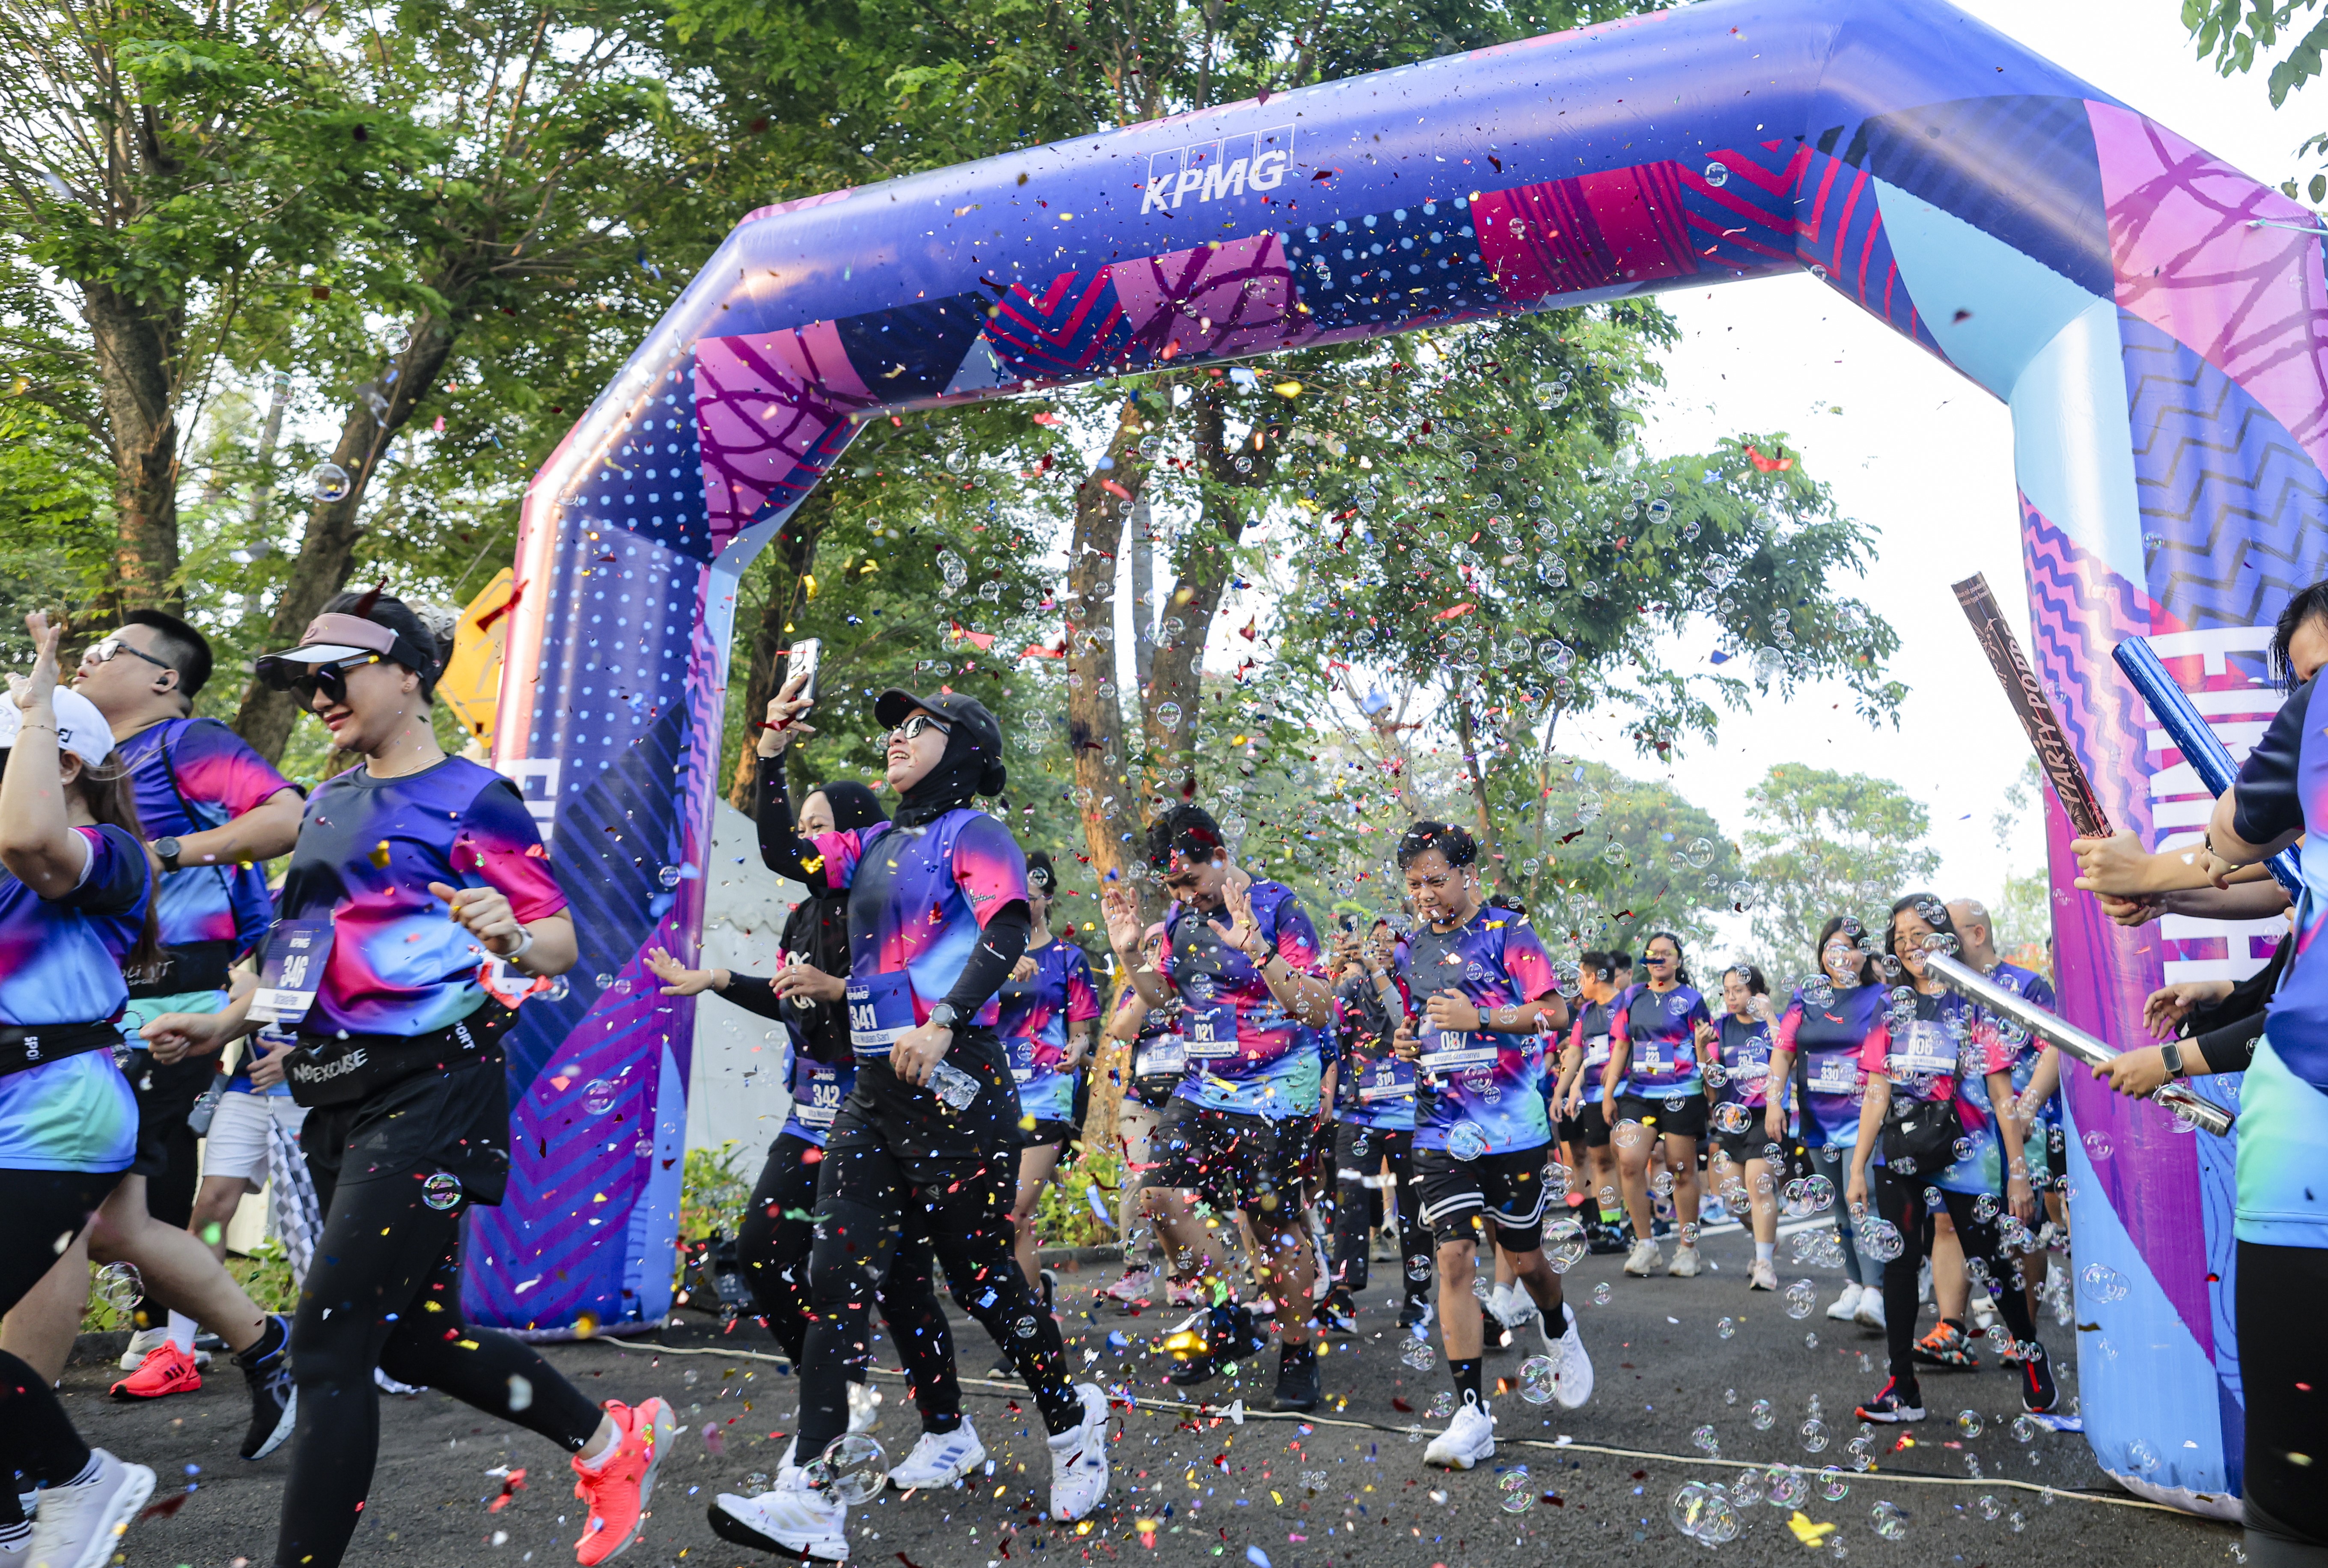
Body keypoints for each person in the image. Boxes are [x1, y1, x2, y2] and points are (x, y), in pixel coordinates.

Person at [138, 590, 673, 1568]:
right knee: (413, 1339)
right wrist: (226, 1017)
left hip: (432, 1093)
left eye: (332, 674)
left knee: (329, 1345)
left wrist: (511, 933)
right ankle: (609, 1440)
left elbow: (557, 937)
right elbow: (293, 941)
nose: (317, 696)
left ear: (406, 673)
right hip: (336, 1095)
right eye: (306, 681)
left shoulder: (476, 798)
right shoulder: (333, 796)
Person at [712, 677, 1109, 1558]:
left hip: (958, 1086)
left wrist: (943, 1021)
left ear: (963, 750)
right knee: (834, 1275)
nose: (897, 737)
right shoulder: (875, 844)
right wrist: (772, 748)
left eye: (920, 727)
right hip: (871, 1093)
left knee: (982, 1283)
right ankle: (813, 1496)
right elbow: (788, 852)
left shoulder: (977, 834)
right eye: (893, 726)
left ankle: (1072, 1418)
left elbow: (1002, 929)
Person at [61, 607, 305, 1414]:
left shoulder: (182, 744)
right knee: (124, 1204)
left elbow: (284, 816)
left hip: (179, 1005)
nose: (86, 662)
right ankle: (172, 1337)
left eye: (108, 651)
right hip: (89, 1014)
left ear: (166, 678)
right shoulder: (85, 759)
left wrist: (161, 852)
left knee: (90, 1195)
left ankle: (189, 1338)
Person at [644, 776, 893, 1442]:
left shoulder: (884, 903)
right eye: (803, 825)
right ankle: (833, 1382)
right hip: (808, 1108)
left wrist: (840, 988)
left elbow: (910, 995)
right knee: (759, 1249)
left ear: (858, 832)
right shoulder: (800, 915)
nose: (805, 838)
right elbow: (789, 997)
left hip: (874, 1109)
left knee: (879, 1275)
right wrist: (716, 979)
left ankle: (930, 1422)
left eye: (819, 825)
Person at [2167, 577, 2328, 1564]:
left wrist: (2158, 874)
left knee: (2292, 1498)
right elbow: (2287, 912)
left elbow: (2229, 840)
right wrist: (2214, 1011)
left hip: (2304, 1147)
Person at [0, 614, 161, 1565]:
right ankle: (15, 1519)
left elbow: (29, 837)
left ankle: (79, 1478)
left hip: (58, 1115)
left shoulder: (109, 852)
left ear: (62, 764)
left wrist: (38, 700)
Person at [1099, 803, 1335, 1414]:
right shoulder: (1180, 919)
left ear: (1221, 858)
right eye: (1172, 885)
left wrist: (1257, 949)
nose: (1182, 895)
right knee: (1158, 1196)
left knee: (1267, 1224)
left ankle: (1295, 1347)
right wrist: (1129, 954)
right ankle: (1227, 1311)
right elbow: (1162, 999)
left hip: (1278, 1089)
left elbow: (1317, 1007)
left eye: (1190, 881)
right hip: (1202, 1087)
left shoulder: (1280, 908)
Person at [1386, 822, 1590, 1470]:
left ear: (1467, 874)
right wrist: (1408, 1042)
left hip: (1513, 1127)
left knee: (1525, 1258)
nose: (1424, 892)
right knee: (1452, 1259)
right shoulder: (1411, 949)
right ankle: (1471, 1411)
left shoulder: (1509, 932)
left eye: (1435, 877)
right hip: (1441, 1123)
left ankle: (1558, 1326)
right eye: (1414, 881)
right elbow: (1419, 1020)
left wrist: (1480, 1019)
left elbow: (1555, 1013)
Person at [1846, 894, 2056, 1425]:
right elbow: (1876, 1088)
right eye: (1898, 939)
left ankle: (2029, 1352)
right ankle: (1902, 1388)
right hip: (1900, 1151)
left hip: (1965, 1153)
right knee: (1897, 1263)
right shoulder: (1887, 1006)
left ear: (1944, 936)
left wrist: (2016, 1169)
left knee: (1985, 1257)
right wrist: (1856, 1165)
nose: (1908, 945)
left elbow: (2000, 1089)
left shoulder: (1972, 999)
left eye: (1919, 933)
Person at [995, 850, 1100, 1333]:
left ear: (1048, 900)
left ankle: (1025, 1326)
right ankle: (1034, 1302)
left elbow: (1081, 1030)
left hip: (1045, 1092)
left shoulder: (1067, 959)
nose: (1023, 905)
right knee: (997, 1219)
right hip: (993, 1095)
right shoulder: (990, 953)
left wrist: (1077, 1049)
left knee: (1015, 1213)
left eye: (1031, 898)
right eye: (1015, 897)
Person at [1764, 917, 1888, 1325]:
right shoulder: (1806, 996)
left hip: (1863, 1116)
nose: (1840, 956)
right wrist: (1774, 1101)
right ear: (1821, 954)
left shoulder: (1880, 996)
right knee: (1836, 1204)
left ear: (1864, 953)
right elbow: (1783, 1050)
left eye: (1849, 947)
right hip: (1818, 1121)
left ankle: (1876, 1293)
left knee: (1862, 1196)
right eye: (1831, 947)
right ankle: (1854, 1284)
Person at [1318, 917, 1432, 1335]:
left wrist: (1381, 973)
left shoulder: (1419, 989)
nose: (1381, 948)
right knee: (1349, 1200)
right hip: (1358, 1116)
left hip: (1410, 1118)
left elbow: (1405, 1019)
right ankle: (1343, 1294)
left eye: (1390, 942)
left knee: (1413, 1207)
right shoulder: (1350, 991)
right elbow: (1326, 1035)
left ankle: (1417, 1296)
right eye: (1374, 943)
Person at [1602, 931, 1709, 1279]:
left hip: (1682, 1091)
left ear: (1678, 960)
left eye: (1667, 953)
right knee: (1630, 1161)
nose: (1660, 958)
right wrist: (1609, 1093)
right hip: (1638, 1091)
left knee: (1681, 1168)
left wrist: (1709, 1085)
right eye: (1653, 953)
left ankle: (1687, 1249)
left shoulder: (1693, 1000)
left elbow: (1704, 1048)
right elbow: (1620, 1046)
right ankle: (1646, 1244)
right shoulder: (1631, 997)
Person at [1099, 925, 1182, 1311]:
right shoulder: (1137, 991)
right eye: (1150, 945)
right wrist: (1148, 987)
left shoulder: (1197, 983)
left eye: (1161, 944)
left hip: (1188, 1101)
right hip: (1142, 1101)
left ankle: (1182, 1275)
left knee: (1180, 1188)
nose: (1156, 950)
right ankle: (1136, 1270)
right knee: (1136, 1180)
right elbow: (1118, 1032)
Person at [1699, 963, 1780, 1291]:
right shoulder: (1720, 1027)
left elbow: (1786, 1055)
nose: (1731, 997)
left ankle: (1765, 1264)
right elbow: (1712, 1083)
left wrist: (1772, 1016)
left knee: (1757, 1185)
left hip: (1765, 1116)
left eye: (1739, 989)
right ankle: (1768, 1240)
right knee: (1735, 1199)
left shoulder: (1771, 1026)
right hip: (1731, 1118)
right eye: (1727, 990)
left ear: (1757, 992)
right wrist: (1701, 1048)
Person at [1552, 952, 1628, 1254]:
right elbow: (1575, 1055)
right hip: (1595, 1096)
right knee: (1601, 1161)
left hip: (1627, 1092)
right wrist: (1562, 1091)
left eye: (1580, 975)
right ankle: (1611, 1228)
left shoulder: (1629, 1003)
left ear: (1594, 977)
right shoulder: (1585, 1015)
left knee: (1629, 1160)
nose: (1576, 983)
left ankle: (1640, 1223)